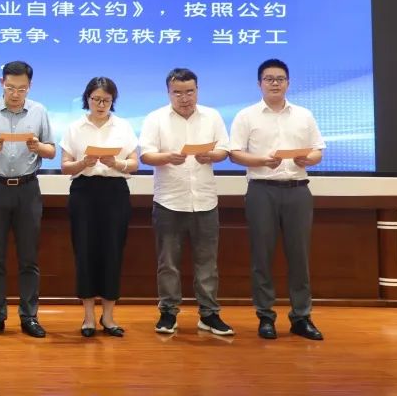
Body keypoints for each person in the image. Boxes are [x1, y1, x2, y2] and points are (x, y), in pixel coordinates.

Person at [228, 58, 326, 341]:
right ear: (259, 83)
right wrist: (261, 160)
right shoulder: (246, 115)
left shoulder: (304, 115)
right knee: (262, 256)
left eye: (280, 79)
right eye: (269, 79)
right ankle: (265, 317)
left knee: (299, 256)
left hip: (297, 190)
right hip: (262, 190)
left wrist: (309, 159)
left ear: (288, 83)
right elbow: (235, 153)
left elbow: (318, 151)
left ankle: (301, 317)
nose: (275, 83)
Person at [139, 68, 234, 336]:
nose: (184, 98)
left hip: (205, 200)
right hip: (169, 200)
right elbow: (146, 155)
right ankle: (168, 313)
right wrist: (167, 157)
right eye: (178, 93)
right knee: (168, 262)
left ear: (197, 90)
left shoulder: (212, 116)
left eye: (190, 91)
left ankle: (209, 314)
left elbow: (224, 149)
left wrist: (212, 156)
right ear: (168, 93)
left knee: (208, 262)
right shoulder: (155, 118)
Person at [0, 60, 55, 338]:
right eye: (10, 87)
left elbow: (51, 151)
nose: (15, 94)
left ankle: (29, 317)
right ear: (1, 83)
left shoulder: (39, 111)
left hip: (28, 189)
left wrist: (38, 146)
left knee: (29, 258)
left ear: (30, 86)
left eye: (22, 88)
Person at [58, 76, 138, 338]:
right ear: (87, 99)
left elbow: (134, 163)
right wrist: (83, 163)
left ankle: (109, 317)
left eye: (106, 100)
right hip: (84, 193)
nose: (101, 104)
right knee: (85, 251)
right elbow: (65, 166)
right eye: (96, 99)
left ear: (113, 100)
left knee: (113, 251)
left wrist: (117, 164)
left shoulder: (123, 126)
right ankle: (89, 317)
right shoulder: (75, 127)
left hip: (115, 193)